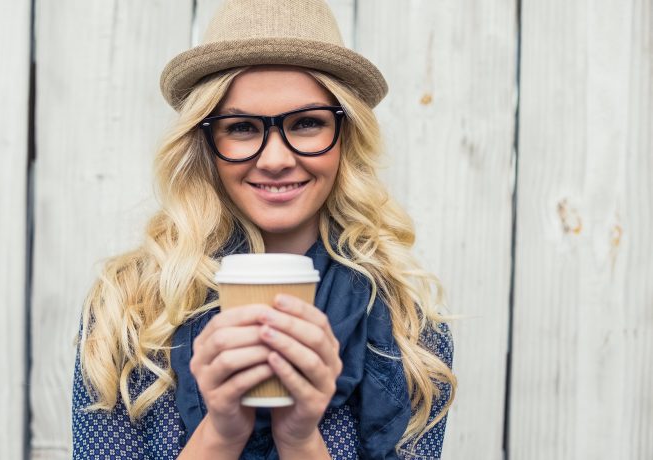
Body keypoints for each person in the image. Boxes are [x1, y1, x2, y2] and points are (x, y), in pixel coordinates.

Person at [72, 0, 457, 458]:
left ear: (345, 135)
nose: (275, 160)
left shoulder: (411, 333)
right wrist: (222, 431)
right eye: (241, 128)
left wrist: (297, 436)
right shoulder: (128, 311)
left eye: (307, 123)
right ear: (206, 142)